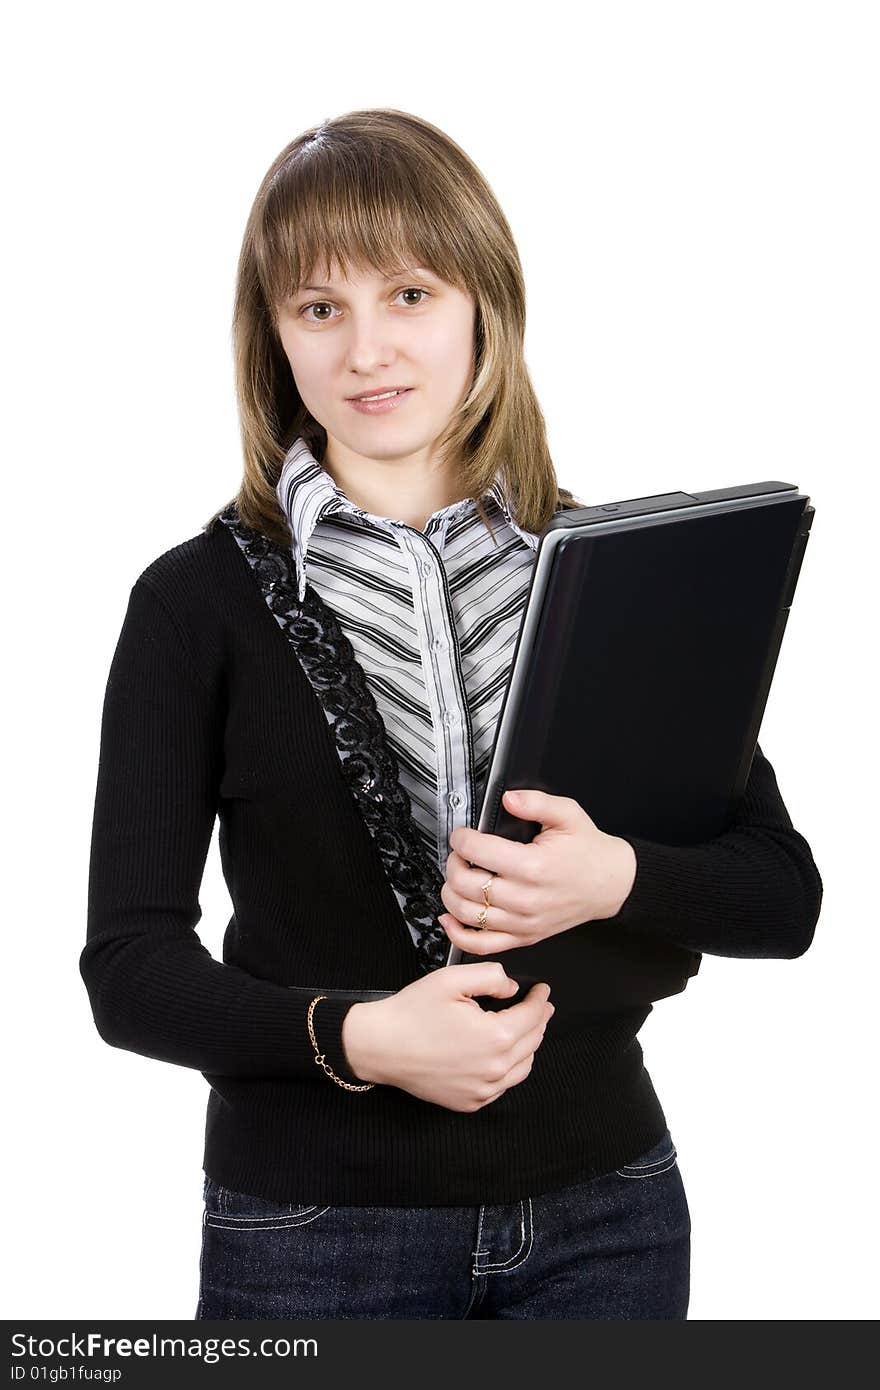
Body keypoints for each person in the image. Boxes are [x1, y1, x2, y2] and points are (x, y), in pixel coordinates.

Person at [79, 108, 823, 1321]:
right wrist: (361, 1037)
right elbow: (129, 969)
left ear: (485, 301)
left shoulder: (601, 574)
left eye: (410, 294)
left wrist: (612, 879)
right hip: (315, 1234)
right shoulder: (193, 604)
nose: (367, 349)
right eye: (319, 308)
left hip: (609, 1215)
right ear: (273, 336)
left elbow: (782, 896)